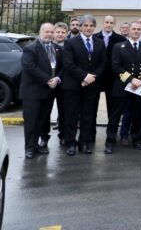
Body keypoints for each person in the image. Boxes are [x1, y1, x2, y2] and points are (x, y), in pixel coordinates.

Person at [61, 15, 106, 156]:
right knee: (71, 115)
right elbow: (68, 64)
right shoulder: (70, 43)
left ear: (94, 27)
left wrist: (92, 77)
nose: (88, 28)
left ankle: (84, 142)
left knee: (88, 116)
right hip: (73, 85)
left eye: (91, 25)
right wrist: (84, 76)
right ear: (80, 27)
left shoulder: (99, 43)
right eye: (85, 25)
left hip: (91, 86)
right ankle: (71, 143)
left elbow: (103, 63)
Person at [105, 21, 141, 154]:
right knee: (115, 116)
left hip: (138, 87)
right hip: (122, 86)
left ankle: (137, 139)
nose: (136, 31)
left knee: (137, 114)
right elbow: (115, 66)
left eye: (138, 29)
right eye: (134, 29)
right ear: (129, 30)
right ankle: (110, 142)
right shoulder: (118, 46)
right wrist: (132, 79)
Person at [21, 23, 63, 159]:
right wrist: (48, 80)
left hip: (48, 93)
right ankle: (29, 147)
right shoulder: (31, 49)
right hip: (33, 92)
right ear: (40, 32)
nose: (49, 34)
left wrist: (57, 78)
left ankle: (37, 145)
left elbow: (62, 67)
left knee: (42, 121)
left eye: (51, 32)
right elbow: (30, 67)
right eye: (46, 31)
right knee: (31, 121)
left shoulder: (57, 49)